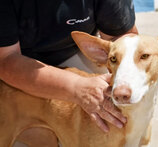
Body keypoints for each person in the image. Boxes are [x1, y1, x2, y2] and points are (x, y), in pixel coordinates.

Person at [0, 0, 138, 143]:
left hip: (73, 50)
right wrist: (77, 87)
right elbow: (5, 60)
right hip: (15, 60)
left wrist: (126, 79)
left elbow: (124, 39)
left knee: (117, 113)